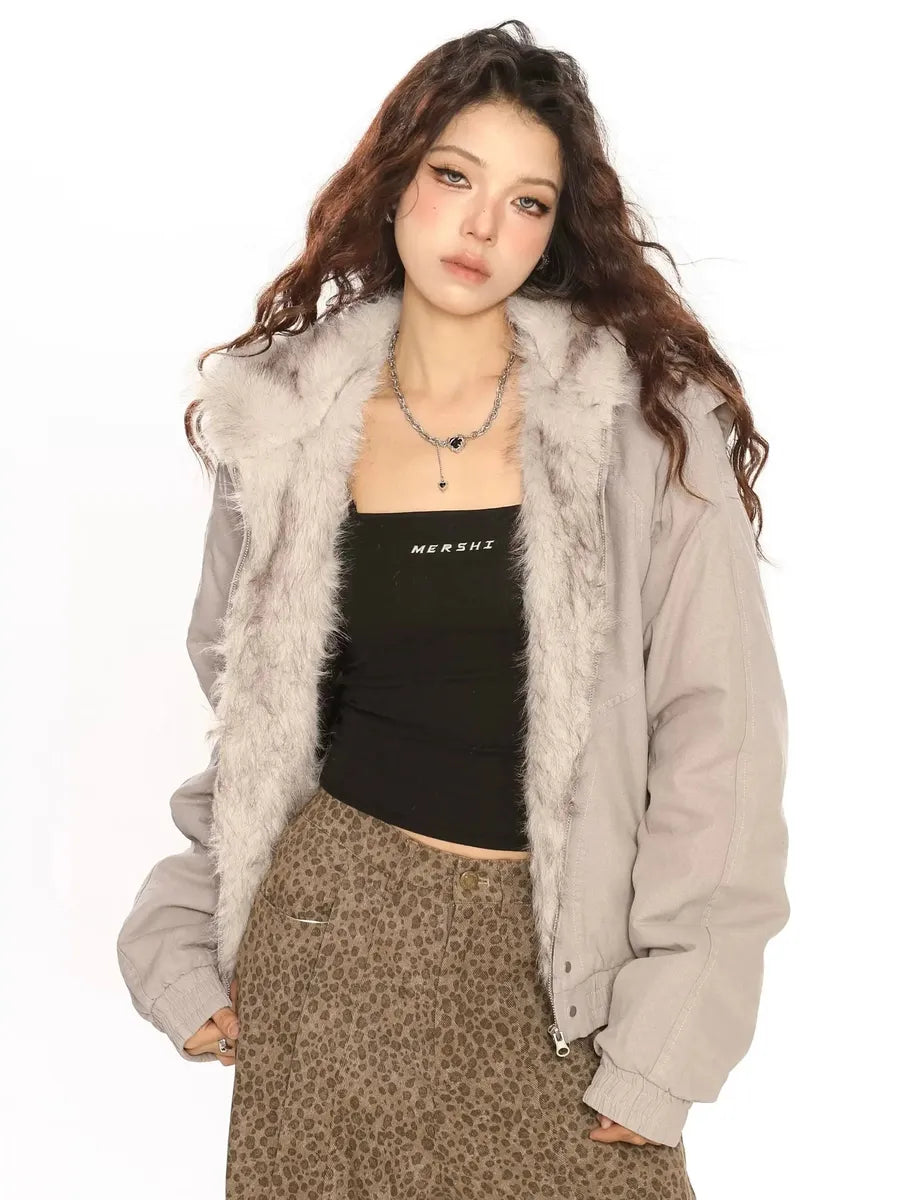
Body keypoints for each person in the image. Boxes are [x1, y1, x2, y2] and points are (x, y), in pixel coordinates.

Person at [116, 20, 789, 1199]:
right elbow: (249, 725)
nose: (481, 227)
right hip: (329, 958)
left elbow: (719, 738)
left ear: (555, 232)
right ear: (396, 184)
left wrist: (672, 1036)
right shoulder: (282, 428)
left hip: (566, 992)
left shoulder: (644, 427)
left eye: (527, 202)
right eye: (455, 177)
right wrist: (177, 942)